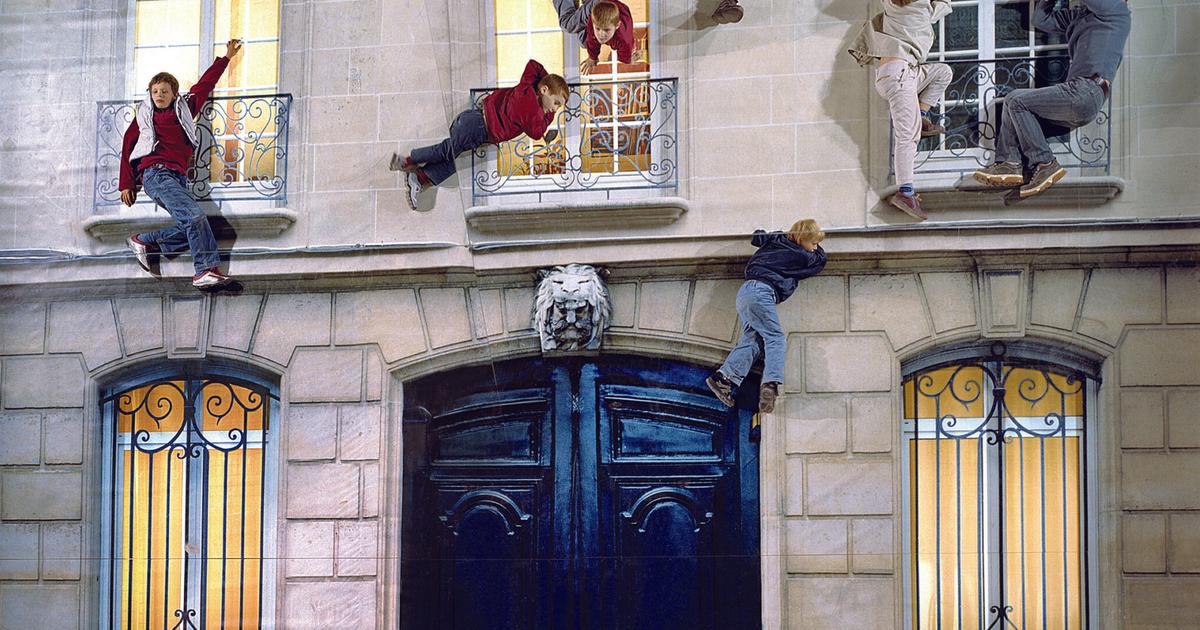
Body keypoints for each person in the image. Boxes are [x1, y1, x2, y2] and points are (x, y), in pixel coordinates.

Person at [973, 0, 1130, 200]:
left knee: (1016, 101)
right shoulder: (1079, 17)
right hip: (1079, 96)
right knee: (1017, 107)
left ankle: (1044, 163)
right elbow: (1040, 20)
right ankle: (1011, 165)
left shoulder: (1115, 8)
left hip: (1086, 91)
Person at [121, 39, 243, 290]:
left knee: (195, 224)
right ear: (150, 94)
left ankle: (146, 242)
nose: (159, 96)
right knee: (195, 217)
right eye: (155, 92)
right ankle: (205, 271)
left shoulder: (185, 107)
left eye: (164, 91)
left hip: (176, 178)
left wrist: (226, 57)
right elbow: (128, 142)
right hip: (156, 174)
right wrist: (126, 183)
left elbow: (206, 83)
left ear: (174, 93)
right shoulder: (145, 116)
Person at [390, 59, 568, 210]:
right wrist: (549, 114)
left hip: (474, 124)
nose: (554, 108)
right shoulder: (532, 112)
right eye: (556, 103)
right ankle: (407, 161)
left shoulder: (526, 86)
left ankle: (419, 178)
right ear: (544, 90)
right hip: (478, 127)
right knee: (446, 151)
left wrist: (545, 80)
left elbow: (533, 65)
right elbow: (537, 132)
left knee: (453, 162)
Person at [706, 220, 828, 414]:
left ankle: (723, 379)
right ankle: (770, 385)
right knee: (776, 338)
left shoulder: (775, 241)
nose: (815, 248)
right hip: (761, 293)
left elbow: (759, 236)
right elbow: (820, 261)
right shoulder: (800, 255)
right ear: (802, 239)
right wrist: (815, 247)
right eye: (813, 242)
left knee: (753, 340)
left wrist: (778, 234)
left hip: (746, 293)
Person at [848, 0, 954, 221]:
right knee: (907, 137)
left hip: (903, 72)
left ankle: (922, 116)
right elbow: (942, 5)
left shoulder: (894, 6)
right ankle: (905, 193)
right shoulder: (922, 7)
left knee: (943, 72)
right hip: (899, 75)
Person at [551, 0, 644, 75]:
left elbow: (627, 58)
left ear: (617, 25)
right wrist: (593, 58)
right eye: (598, 29)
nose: (601, 34)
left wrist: (631, 58)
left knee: (583, 42)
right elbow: (593, 40)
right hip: (597, 4)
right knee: (568, 24)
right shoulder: (594, 20)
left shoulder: (624, 40)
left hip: (604, 5)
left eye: (607, 30)